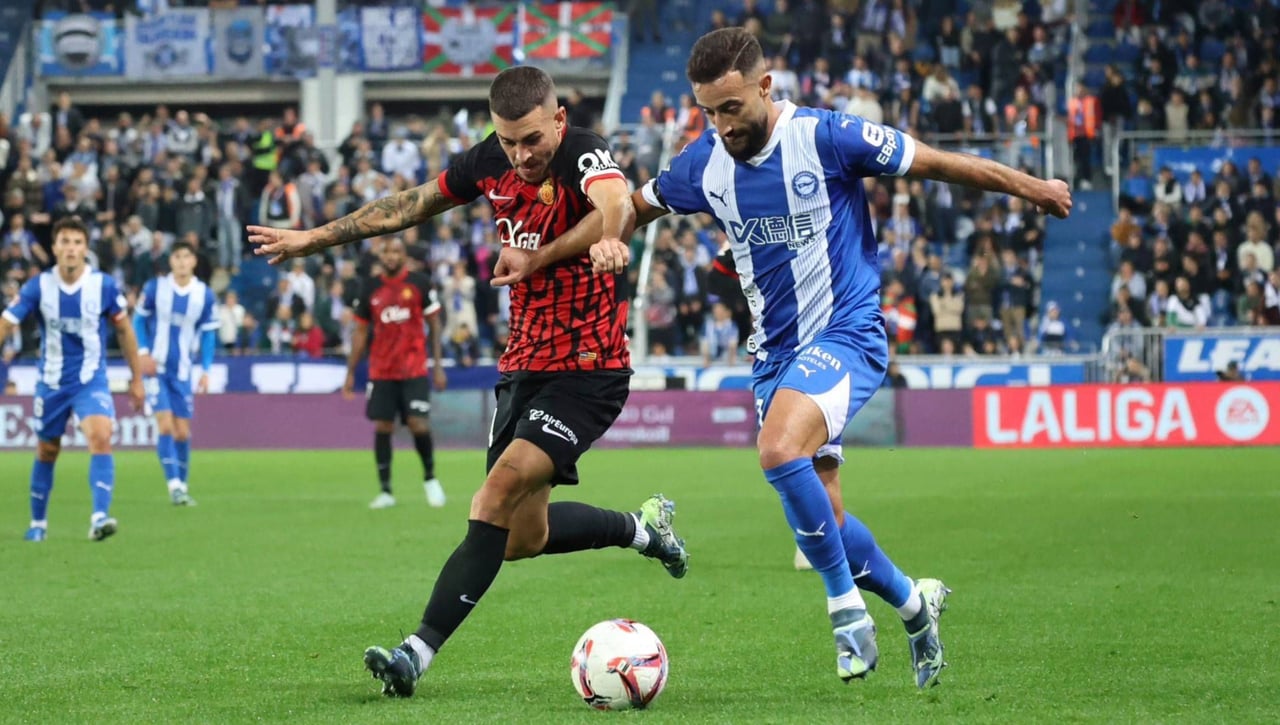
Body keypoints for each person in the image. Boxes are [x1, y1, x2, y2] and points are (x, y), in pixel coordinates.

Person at [493, 28, 1072, 689]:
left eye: (732, 107)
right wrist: (605, 239)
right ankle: (915, 605)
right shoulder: (703, 162)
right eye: (708, 111)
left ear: (765, 87)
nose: (722, 124)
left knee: (776, 450)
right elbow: (633, 205)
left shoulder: (827, 137)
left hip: (847, 333)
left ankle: (846, 613)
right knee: (825, 521)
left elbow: (937, 163)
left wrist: (1034, 188)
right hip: (775, 356)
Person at [247, 65, 689, 698]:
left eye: (532, 139)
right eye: (509, 142)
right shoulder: (489, 161)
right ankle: (643, 529)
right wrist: (313, 238)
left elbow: (616, 200)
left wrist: (614, 240)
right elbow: (409, 205)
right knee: (521, 538)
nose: (522, 155)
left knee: (493, 496)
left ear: (558, 120)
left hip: (589, 370)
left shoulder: (582, 150)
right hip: (523, 367)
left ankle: (414, 654)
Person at [0, 217, 146, 541]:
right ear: (54, 248)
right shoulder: (38, 286)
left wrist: (137, 379)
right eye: (64, 241)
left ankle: (99, 517)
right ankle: (38, 524)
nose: (70, 248)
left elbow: (124, 331)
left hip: (90, 380)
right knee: (47, 450)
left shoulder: (103, 285)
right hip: (51, 382)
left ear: (85, 248)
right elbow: (7, 323)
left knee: (101, 435)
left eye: (77, 242)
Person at [345, 236, 448, 510]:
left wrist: (438, 366)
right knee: (383, 426)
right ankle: (386, 490)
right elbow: (360, 331)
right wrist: (350, 372)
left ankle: (430, 479)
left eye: (396, 251)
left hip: (414, 368)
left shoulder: (420, 283)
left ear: (404, 255)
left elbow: (435, 324)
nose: (391, 256)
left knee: (418, 424)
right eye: (387, 252)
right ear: (380, 256)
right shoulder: (369, 287)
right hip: (382, 370)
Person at [133, 241, 219, 506]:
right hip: (155, 368)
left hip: (182, 371)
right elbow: (138, 320)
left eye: (186, 256)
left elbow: (209, 334)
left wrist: (206, 369)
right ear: (171, 261)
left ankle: (182, 485)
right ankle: (173, 486)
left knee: (182, 432)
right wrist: (143, 352)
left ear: (194, 261)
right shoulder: (155, 288)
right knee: (166, 426)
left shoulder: (204, 295)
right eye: (177, 256)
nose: (182, 261)